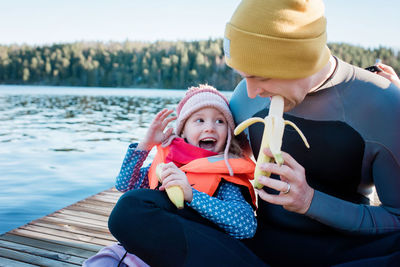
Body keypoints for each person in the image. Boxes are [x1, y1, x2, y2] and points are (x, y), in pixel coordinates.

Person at [223, 0, 400, 266]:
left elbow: (396, 218)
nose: (250, 91)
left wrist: (309, 201)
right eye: (243, 76)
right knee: (140, 207)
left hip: (352, 253)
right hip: (257, 248)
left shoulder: (382, 103)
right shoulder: (244, 98)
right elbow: (221, 164)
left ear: (299, 60)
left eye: (261, 76)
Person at [105, 84, 266, 267]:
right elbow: (125, 185)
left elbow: (246, 227)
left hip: (205, 251)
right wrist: (145, 145)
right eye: (199, 120)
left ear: (229, 133)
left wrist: (191, 194)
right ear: (182, 131)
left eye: (220, 121)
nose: (210, 128)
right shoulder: (169, 162)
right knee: (128, 209)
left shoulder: (225, 173)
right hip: (166, 247)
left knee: (128, 208)